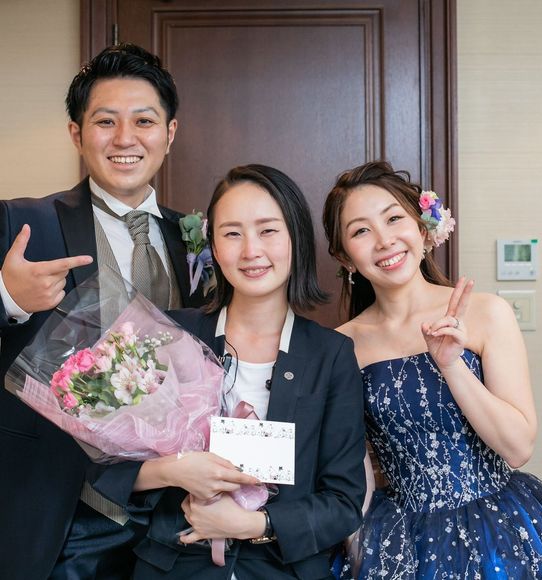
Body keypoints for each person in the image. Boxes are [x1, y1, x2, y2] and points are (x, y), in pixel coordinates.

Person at [0, 43, 219, 580]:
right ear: (77, 134)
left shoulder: (199, 240)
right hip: (64, 510)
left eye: (143, 121)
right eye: (105, 122)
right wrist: (7, 297)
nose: (125, 139)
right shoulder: (22, 222)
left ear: (169, 132)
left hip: (180, 514)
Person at [322, 160, 542, 579]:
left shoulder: (487, 313)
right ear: (344, 257)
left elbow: (518, 448)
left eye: (393, 219)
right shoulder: (340, 346)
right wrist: (357, 552)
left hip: (500, 531)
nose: (385, 241)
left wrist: (451, 365)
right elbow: (358, 473)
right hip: (401, 541)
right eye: (361, 231)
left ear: (423, 228)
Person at [131, 164, 367, 579]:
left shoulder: (330, 355)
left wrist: (252, 524)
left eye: (268, 230)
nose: (251, 250)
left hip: (283, 570)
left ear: (296, 238)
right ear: (213, 245)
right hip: (175, 565)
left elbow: (344, 503)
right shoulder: (172, 334)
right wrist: (171, 471)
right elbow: (104, 467)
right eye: (232, 233)